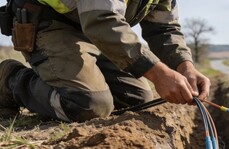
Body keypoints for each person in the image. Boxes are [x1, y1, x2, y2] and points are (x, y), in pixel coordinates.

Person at [0, 0, 210, 122]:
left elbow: (164, 28)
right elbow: (101, 18)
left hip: (94, 29)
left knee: (137, 101)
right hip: (50, 22)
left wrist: (185, 66)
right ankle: (10, 78)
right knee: (88, 105)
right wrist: (158, 74)